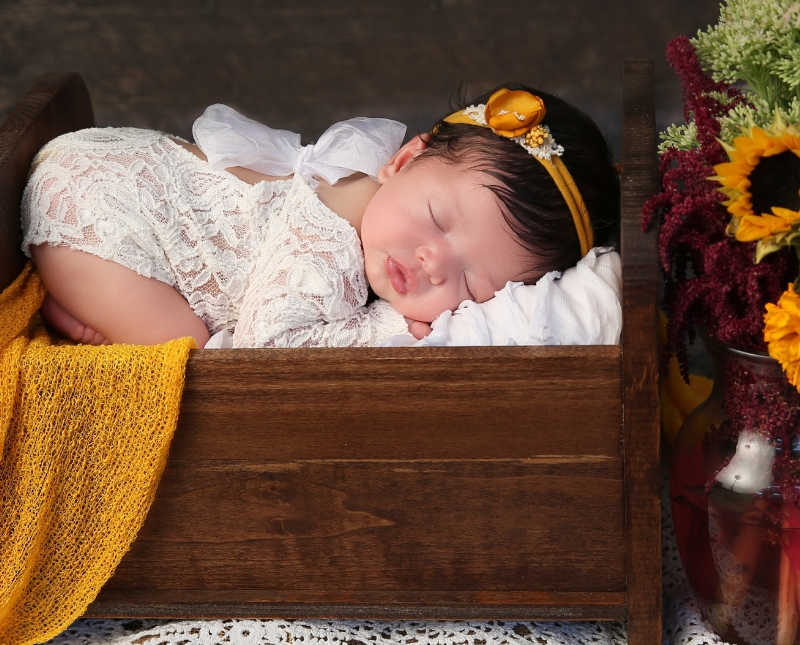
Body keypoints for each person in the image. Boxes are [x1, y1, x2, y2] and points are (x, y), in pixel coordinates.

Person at [20, 85, 619, 349]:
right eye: (436, 218)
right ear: (403, 159)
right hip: (95, 208)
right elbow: (268, 348)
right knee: (189, 349)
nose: (434, 262)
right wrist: (382, 330)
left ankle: (98, 302)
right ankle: (99, 326)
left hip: (115, 158)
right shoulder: (329, 243)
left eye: (473, 285)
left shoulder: (376, 200)